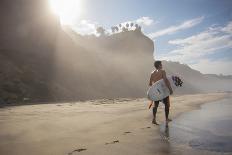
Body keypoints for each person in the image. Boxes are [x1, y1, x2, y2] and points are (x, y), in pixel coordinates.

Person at [148, 61, 173, 125]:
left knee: (155, 105)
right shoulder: (162, 71)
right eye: (161, 64)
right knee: (167, 105)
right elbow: (166, 81)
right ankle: (166, 118)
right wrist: (170, 89)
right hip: (163, 91)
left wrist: (153, 92)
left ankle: (154, 119)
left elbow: (150, 84)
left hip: (156, 91)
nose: (162, 65)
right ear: (159, 65)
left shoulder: (152, 73)